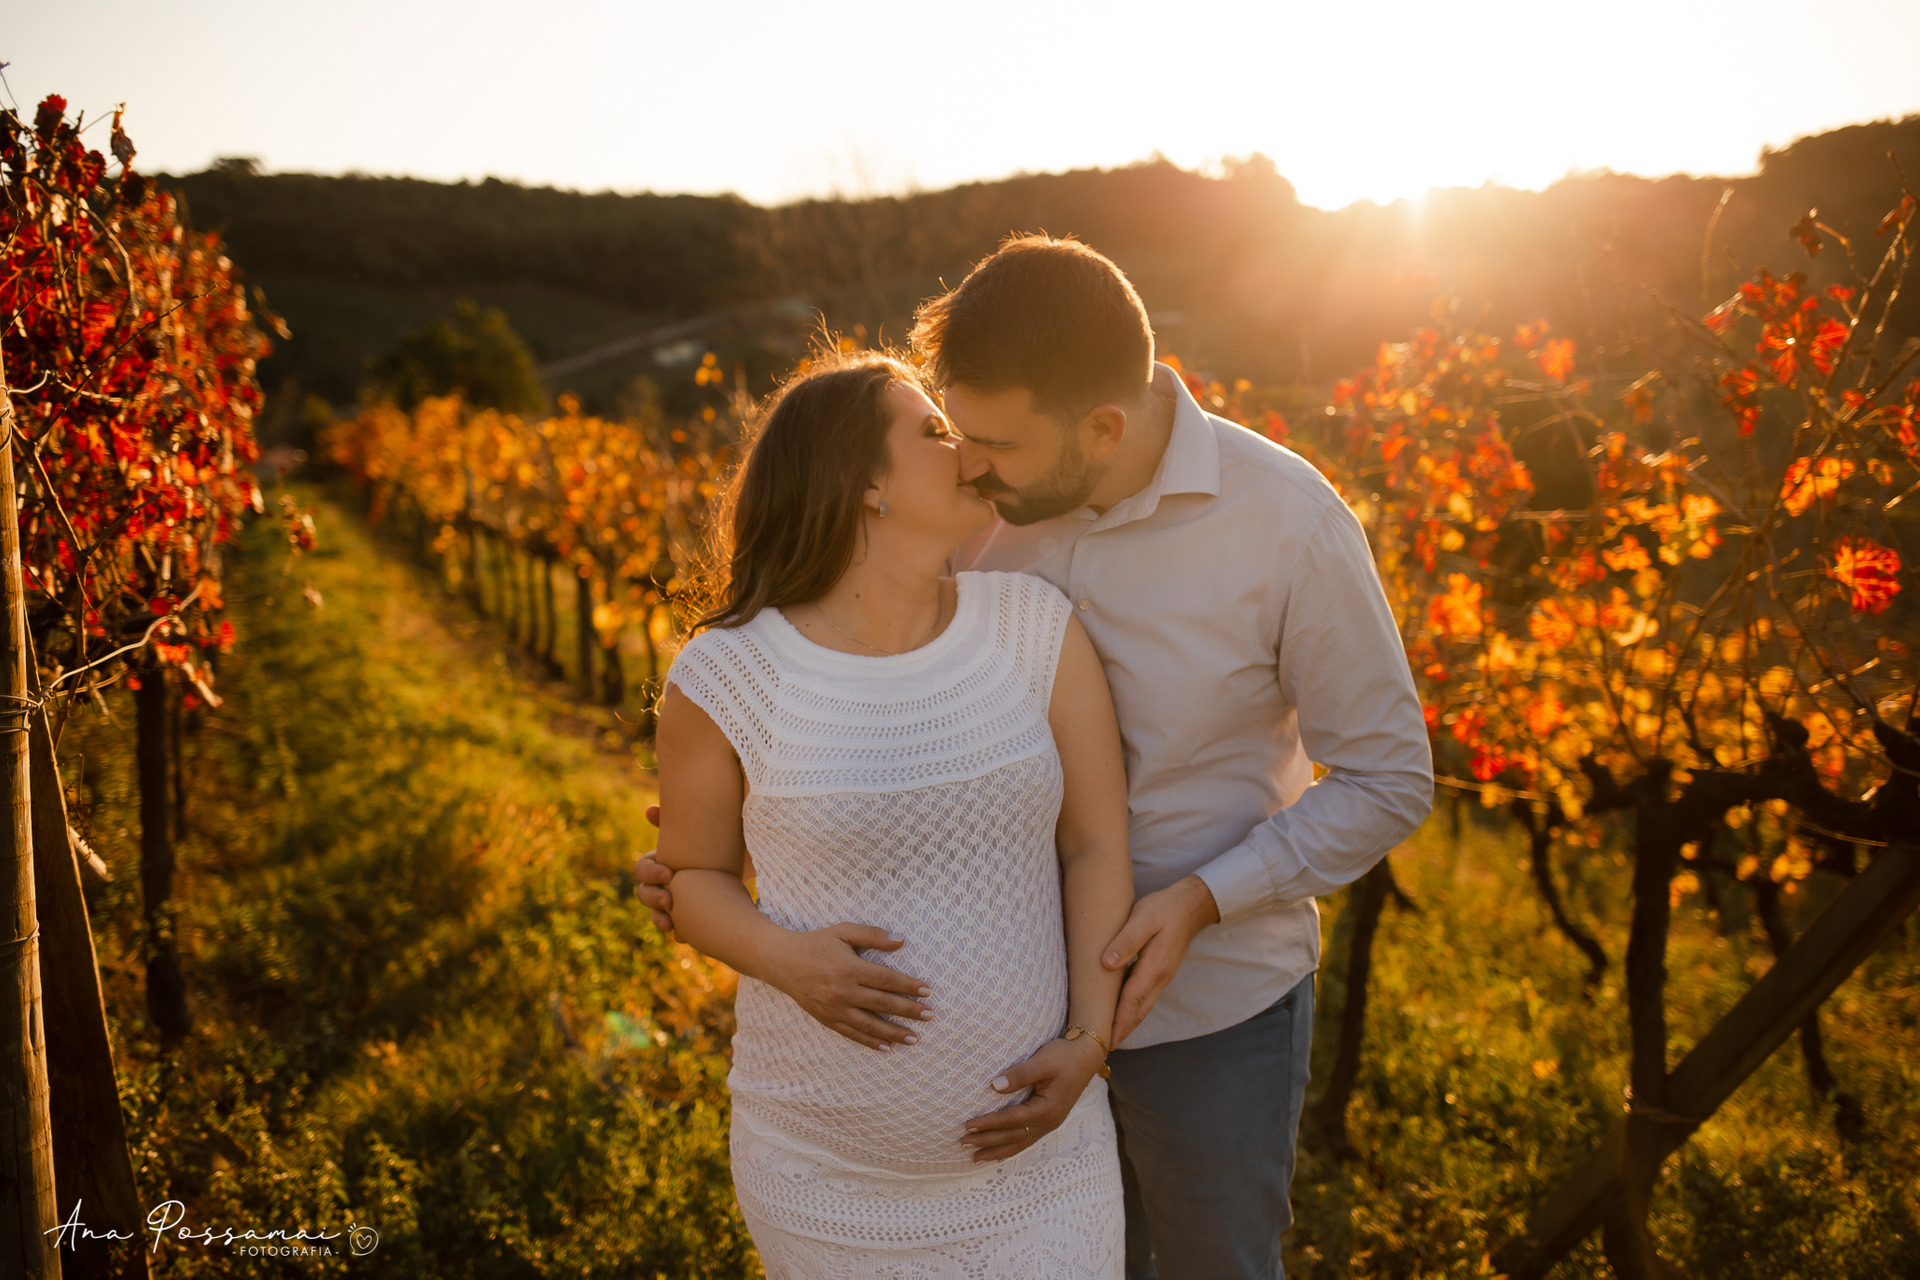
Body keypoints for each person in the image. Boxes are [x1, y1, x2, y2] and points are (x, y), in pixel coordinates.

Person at [639, 235, 1434, 1279]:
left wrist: (1203, 895)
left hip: (1208, 1004)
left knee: (1213, 1266)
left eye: (992, 443)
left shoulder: (1289, 524)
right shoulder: (987, 510)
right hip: (1008, 1032)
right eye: (952, 431)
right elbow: (858, 655)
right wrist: (739, 845)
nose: (969, 460)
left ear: (1100, 428)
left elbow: (1390, 778)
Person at [649, 348, 1138, 1278]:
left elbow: (1096, 843)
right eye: (933, 432)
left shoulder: (1034, 626)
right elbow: (692, 879)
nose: (968, 452)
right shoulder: (724, 675)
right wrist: (787, 960)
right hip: (820, 1177)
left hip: (1046, 1169)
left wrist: (1091, 1040)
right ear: (863, 482)